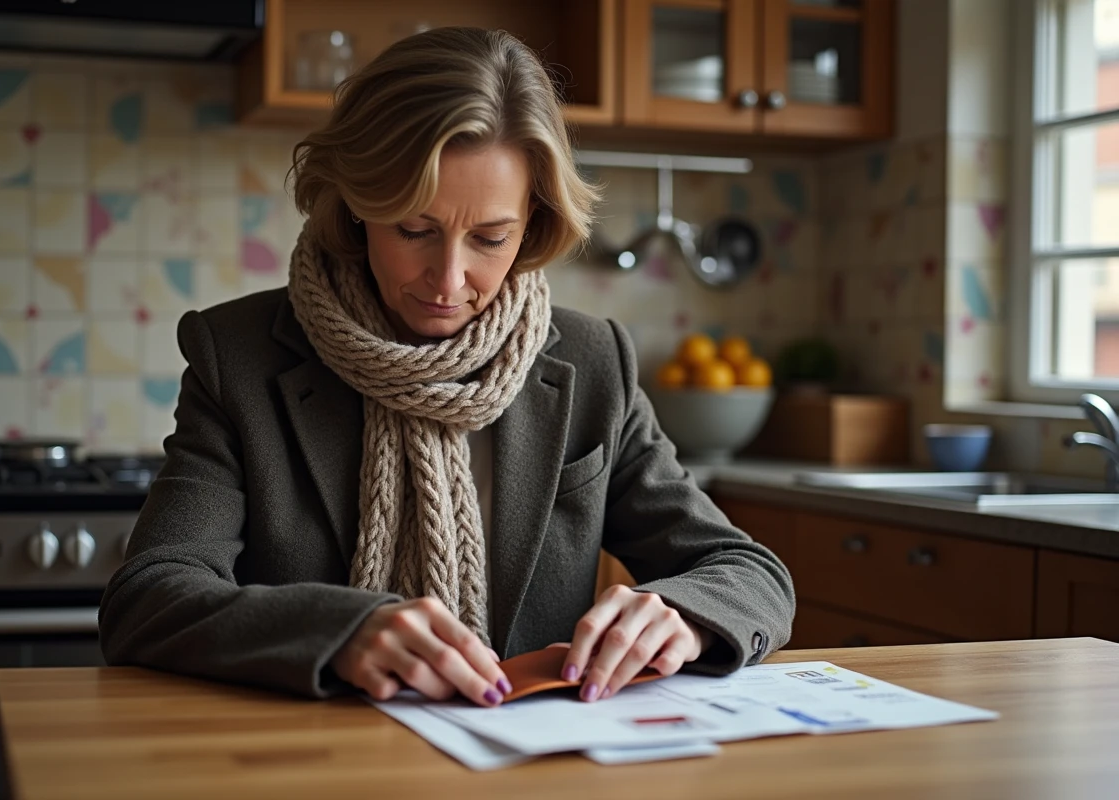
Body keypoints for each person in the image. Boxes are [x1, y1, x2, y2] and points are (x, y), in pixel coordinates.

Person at [99, 27, 794, 709]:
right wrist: (337, 631)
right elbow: (151, 594)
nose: (449, 278)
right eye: (414, 230)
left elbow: (749, 573)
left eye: (491, 238)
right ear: (355, 207)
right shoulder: (240, 354)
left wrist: (682, 614)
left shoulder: (592, 363)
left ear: (534, 224)